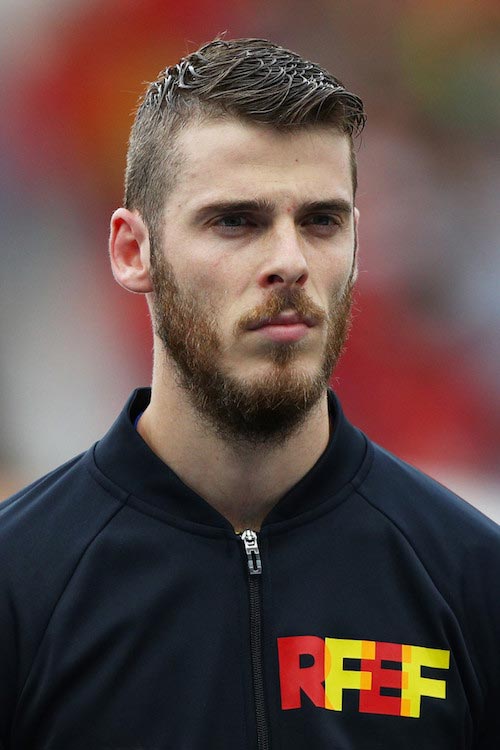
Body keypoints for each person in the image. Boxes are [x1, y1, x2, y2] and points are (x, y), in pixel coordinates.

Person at [0, 37, 499, 750]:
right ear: (132, 251)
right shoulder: (22, 585)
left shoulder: (471, 580)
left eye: (321, 221)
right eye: (236, 221)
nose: (290, 261)